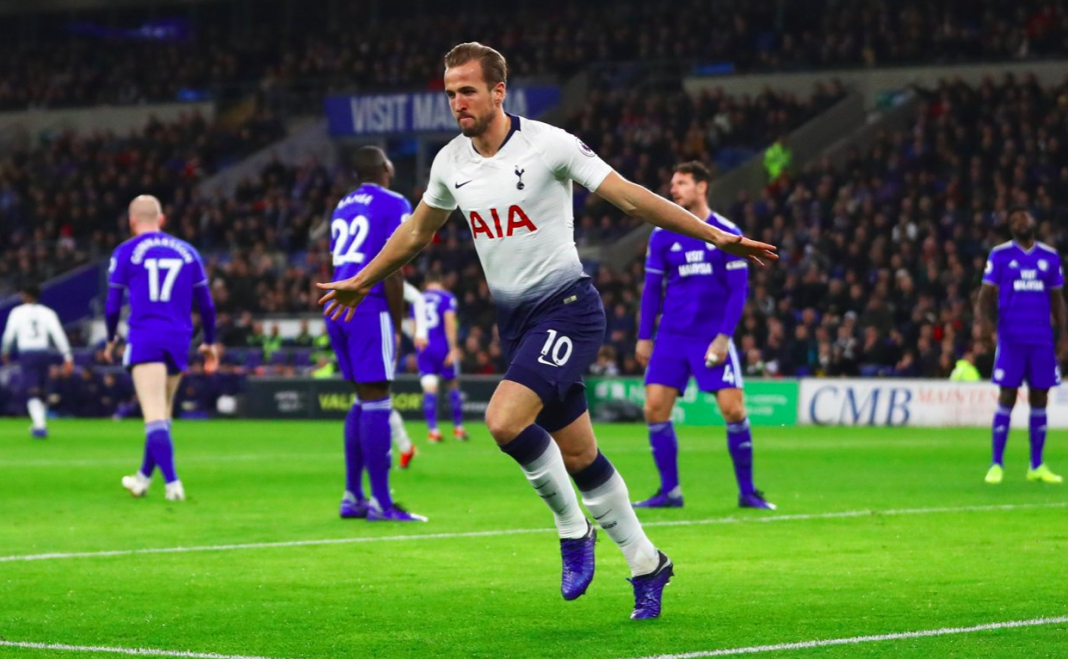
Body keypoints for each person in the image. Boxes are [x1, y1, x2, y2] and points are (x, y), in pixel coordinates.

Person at [317, 42, 776, 619]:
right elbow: (415, 233)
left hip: (568, 309)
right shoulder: (449, 163)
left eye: (468, 90)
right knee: (580, 454)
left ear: (498, 91)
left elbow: (631, 198)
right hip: (517, 323)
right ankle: (647, 563)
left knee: (504, 420)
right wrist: (362, 280)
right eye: (451, 92)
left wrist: (715, 236)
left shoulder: (548, 144)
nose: (457, 102)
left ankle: (572, 529)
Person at [634, 162, 775, 511]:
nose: (674, 189)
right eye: (673, 183)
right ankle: (670, 492)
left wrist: (724, 337)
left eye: (682, 183)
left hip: (710, 336)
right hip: (671, 337)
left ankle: (748, 492)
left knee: (733, 409)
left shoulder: (727, 232)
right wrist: (644, 336)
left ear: (702, 187)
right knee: (654, 409)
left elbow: (738, 291)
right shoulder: (662, 234)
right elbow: (652, 288)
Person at [325, 145, 426, 522]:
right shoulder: (394, 202)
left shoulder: (343, 206)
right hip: (370, 306)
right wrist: (397, 327)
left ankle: (353, 496)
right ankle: (382, 503)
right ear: (385, 166)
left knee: (362, 398)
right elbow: (394, 266)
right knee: (378, 397)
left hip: (338, 304)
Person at [104, 195, 219, 501]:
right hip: (179, 338)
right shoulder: (188, 251)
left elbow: (112, 304)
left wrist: (110, 337)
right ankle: (142, 479)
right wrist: (209, 341)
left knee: (154, 415)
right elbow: (207, 305)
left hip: (145, 336)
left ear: (132, 222)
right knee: (163, 413)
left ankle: (173, 484)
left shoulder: (125, 251)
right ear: (162, 219)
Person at [977, 207, 1066, 485]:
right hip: (1011, 339)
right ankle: (996, 464)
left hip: (1041, 340)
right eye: (1014, 220)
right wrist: (986, 326)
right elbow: (984, 296)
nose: (1019, 222)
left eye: (1023, 217)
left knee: (1040, 397)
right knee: (1007, 396)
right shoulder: (1000, 255)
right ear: (1011, 227)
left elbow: (1057, 300)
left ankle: (1036, 465)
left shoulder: (1049, 257)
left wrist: (1064, 335)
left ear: (1033, 222)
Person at [1, 284, 73, 438]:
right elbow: (58, 334)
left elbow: (9, 334)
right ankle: (39, 422)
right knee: (42, 390)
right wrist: (67, 356)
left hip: (27, 354)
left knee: (31, 391)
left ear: (25, 295)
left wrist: (5, 351)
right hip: (43, 353)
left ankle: (40, 426)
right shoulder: (48, 312)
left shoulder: (17, 312)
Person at [417, 272, 467, 442]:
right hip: (443, 347)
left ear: (426, 284)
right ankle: (458, 429)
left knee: (429, 388)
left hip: (424, 346)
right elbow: (449, 322)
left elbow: (415, 325)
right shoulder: (447, 297)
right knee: (452, 385)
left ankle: (433, 431)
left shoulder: (418, 298)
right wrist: (453, 349)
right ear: (440, 282)